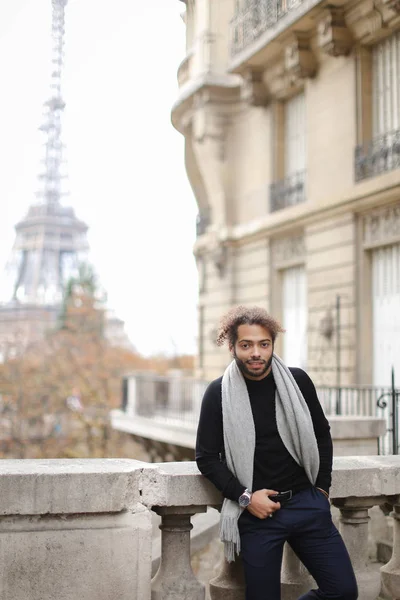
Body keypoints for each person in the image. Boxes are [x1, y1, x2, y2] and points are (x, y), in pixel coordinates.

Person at [196, 305, 358, 600]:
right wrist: (246, 498)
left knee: (343, 591)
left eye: (263, 344)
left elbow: (322, 434)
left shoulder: (298, 382)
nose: (255, 352)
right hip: (257, 514)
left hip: (307, 505)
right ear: (232, 346)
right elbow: (206, 458)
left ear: (272, 345)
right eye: (246, 345)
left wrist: (321, 490)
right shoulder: (218, 393)